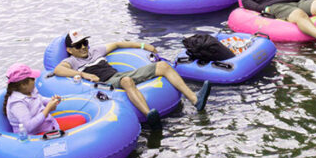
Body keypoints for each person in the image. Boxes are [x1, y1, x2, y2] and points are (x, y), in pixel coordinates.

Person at [49, 30, 210, 128]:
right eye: (78, 45)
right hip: (105, 83)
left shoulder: (96, 51)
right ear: (70, 50)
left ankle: (195, 100)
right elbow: (58, 69)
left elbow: (118, 44)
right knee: (126, 81)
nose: (83, 47)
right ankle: (150, 116)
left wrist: (143, 46)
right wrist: (84, 74)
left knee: (164, 66)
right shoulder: (72, 61)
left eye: (85, 42)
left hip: (118, 75)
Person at [3, 64, 62, 136]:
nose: (35, 80)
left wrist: (52, 100)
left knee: (79, 119)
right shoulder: (17, 103)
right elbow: (29, 126)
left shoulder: (30, 91)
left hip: (49, 125)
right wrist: (47, 109)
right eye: (33, 79)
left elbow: (40, 99)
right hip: (36, 135)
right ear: (23, 85)